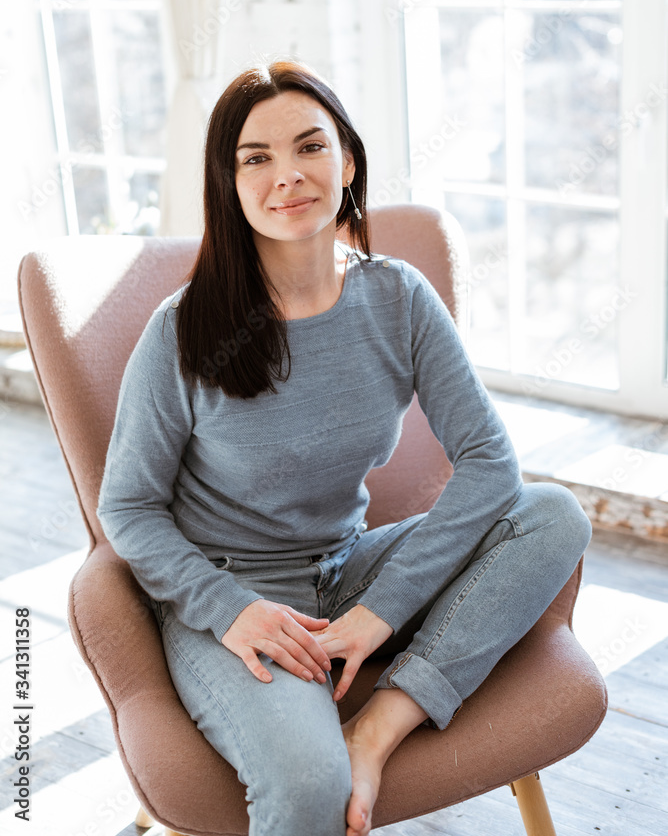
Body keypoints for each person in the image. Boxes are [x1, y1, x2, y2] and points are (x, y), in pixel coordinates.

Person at [97, 58, 592, 836]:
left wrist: (379, 612)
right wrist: (231, 610)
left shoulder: (396, 297)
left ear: (347, 159)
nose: (287, 175)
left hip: (347, 565)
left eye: (309, 147)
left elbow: (492, 464)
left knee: (552, 515)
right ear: (228, 184)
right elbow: (125, 506)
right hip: (234, 599)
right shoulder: (183, 329)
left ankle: (381, 725)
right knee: (306, 789)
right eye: (255, 158)